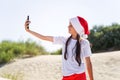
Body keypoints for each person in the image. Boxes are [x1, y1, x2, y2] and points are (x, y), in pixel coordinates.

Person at [24, 16, 94, 80]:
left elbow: (88, 63)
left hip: (80, 76)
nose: (68, 26)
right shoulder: (64, 40)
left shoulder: (84, 43)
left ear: (77, 28)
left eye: (71, 25)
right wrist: (28, 31)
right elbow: (44, 37)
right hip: (66, 77)